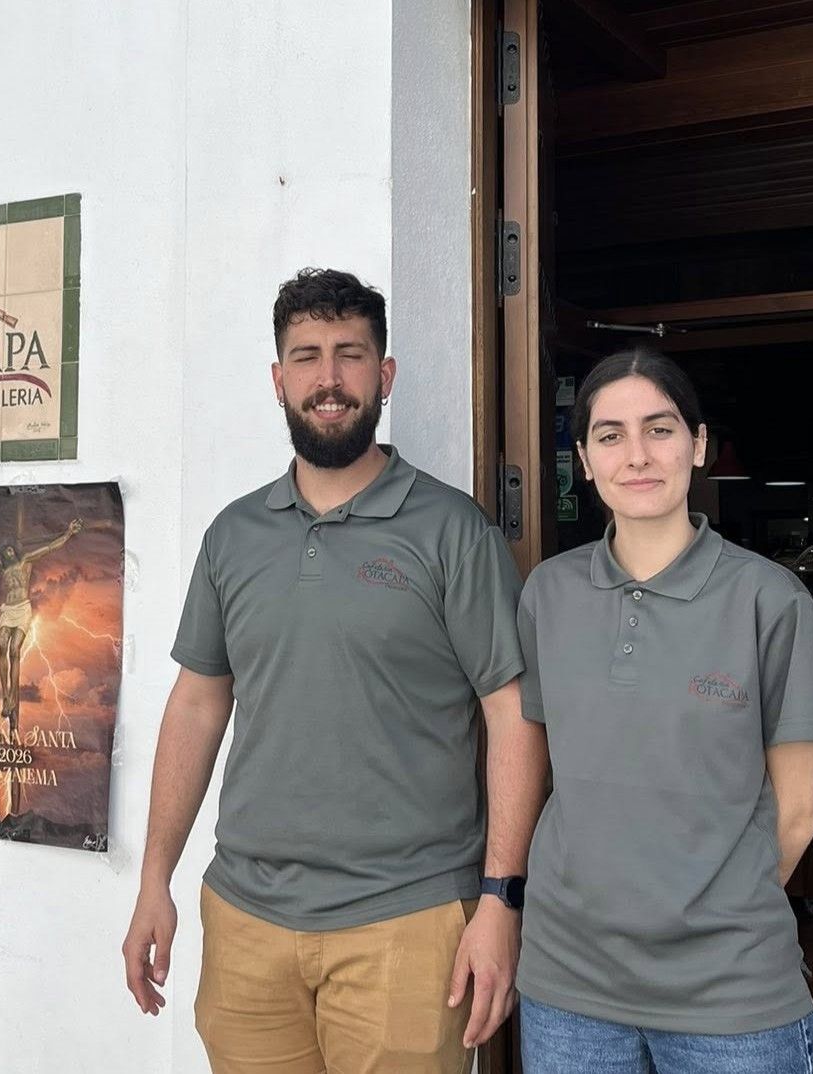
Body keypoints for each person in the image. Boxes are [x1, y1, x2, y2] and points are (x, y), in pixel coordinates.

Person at [121, 268, 547, 1074]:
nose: (328, 378)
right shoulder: (232, 537)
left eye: (350, 355)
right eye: (306, 356)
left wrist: (500, 900)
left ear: (384, 377)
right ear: (278, 379)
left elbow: (512, 712)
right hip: (246, 920)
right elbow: (198, 707)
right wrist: (155, 879)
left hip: (409, 922)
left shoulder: (453, 532)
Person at [516, 345, 813, 1074]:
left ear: (699, 444)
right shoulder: (547, 595)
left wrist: (703, 915)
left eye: (659, 429)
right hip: (569, 988)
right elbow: (533, 770)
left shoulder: (769, 600)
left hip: (732, 996)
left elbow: (799, 814)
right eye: (610, 435)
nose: (637, 455)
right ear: (585, 462)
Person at [0, 518, 83, 722]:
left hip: (23, 609)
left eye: (10, 550)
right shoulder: (2, 567)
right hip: (8, 610)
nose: (8, 552)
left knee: (15, 650)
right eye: (5, 551)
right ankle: (6, 695)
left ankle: (12, 698)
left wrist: (68, 533)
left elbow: (49, 548)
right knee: (2, 647)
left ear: (15, 552)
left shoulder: (26, 562)